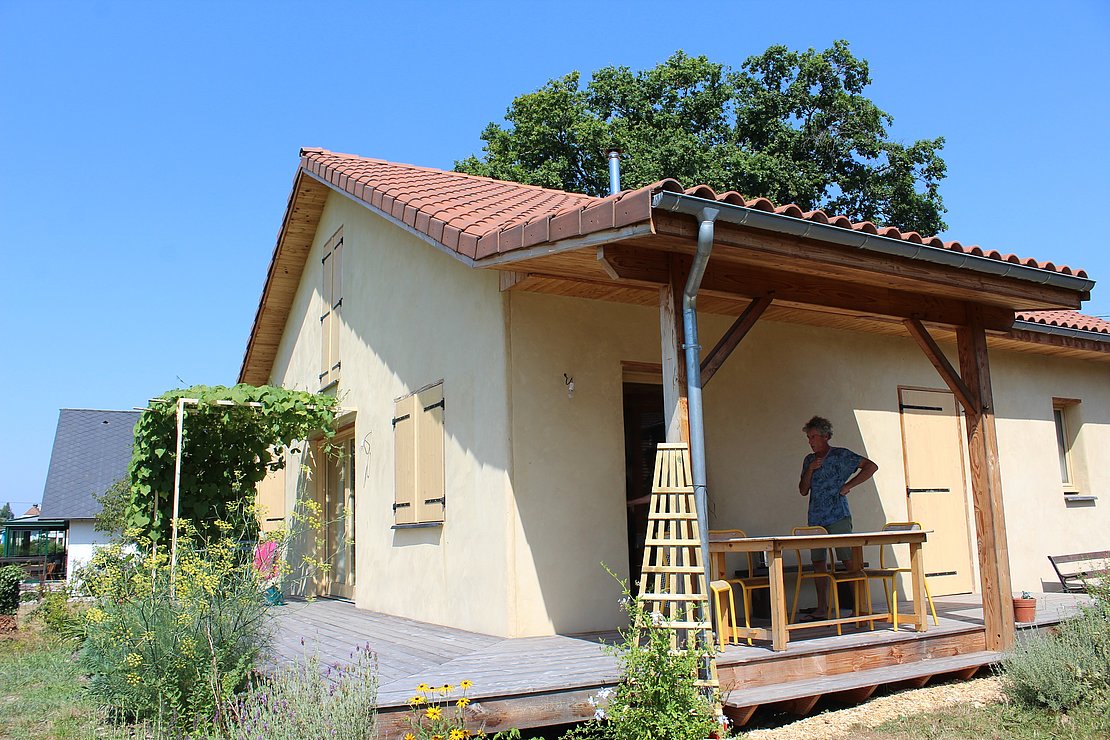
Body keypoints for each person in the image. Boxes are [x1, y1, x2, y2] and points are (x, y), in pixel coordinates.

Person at [798, 415, 878, 620]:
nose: (811, 441)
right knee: (818, 562)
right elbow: (803, 490)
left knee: (848, 560)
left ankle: (859, 606)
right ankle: (822, 608)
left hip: (837, 515)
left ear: (826, 436)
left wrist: (848, 486)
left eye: (814, 436)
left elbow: (871, 466)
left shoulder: (841, 455)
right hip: (816, 517)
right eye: (809, 437)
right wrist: (810, 470)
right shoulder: (809, 460)